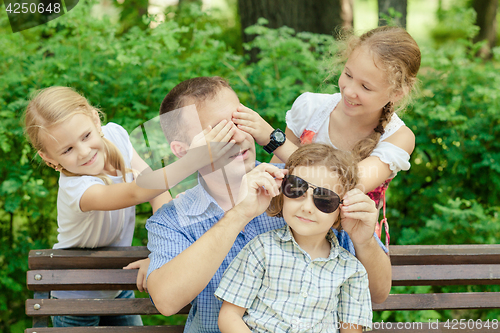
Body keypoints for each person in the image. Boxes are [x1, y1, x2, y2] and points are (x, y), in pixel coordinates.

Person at [146, 76, 391, 333]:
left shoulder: (302, 188)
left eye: (239, 120)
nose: (239, 136)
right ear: (184, 151)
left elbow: (379, 293)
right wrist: (239, 214)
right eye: (219, 131)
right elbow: (166, 301)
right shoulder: (173, 218)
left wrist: (363, 243)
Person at [232, 26, 421, 246]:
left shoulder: (398, 138)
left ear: (396, 93)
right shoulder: (311, 109)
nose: (349, 90)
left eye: (366, 87)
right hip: (285, 232)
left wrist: (273, 139)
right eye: (348, 74)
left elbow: (344, 184)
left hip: (347, 246)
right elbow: (276, 179)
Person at [23, 86, 172, 327]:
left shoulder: (117, 136)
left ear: (95, 118)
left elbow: (159, 193)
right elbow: (139, 190)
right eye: (67, 150)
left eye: (86, 136)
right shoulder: (77, 188)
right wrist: (195, 159)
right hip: (75, 296)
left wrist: (161, 249)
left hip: (118, 284)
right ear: (48, 158)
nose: (84, 152)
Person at [216, 143, 374, 333]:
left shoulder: (351, 271)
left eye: (324, 199)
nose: (307, 207)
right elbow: (229, 317)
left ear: (343, 208)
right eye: (296, 189)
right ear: (282, 192)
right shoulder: (261, 249)